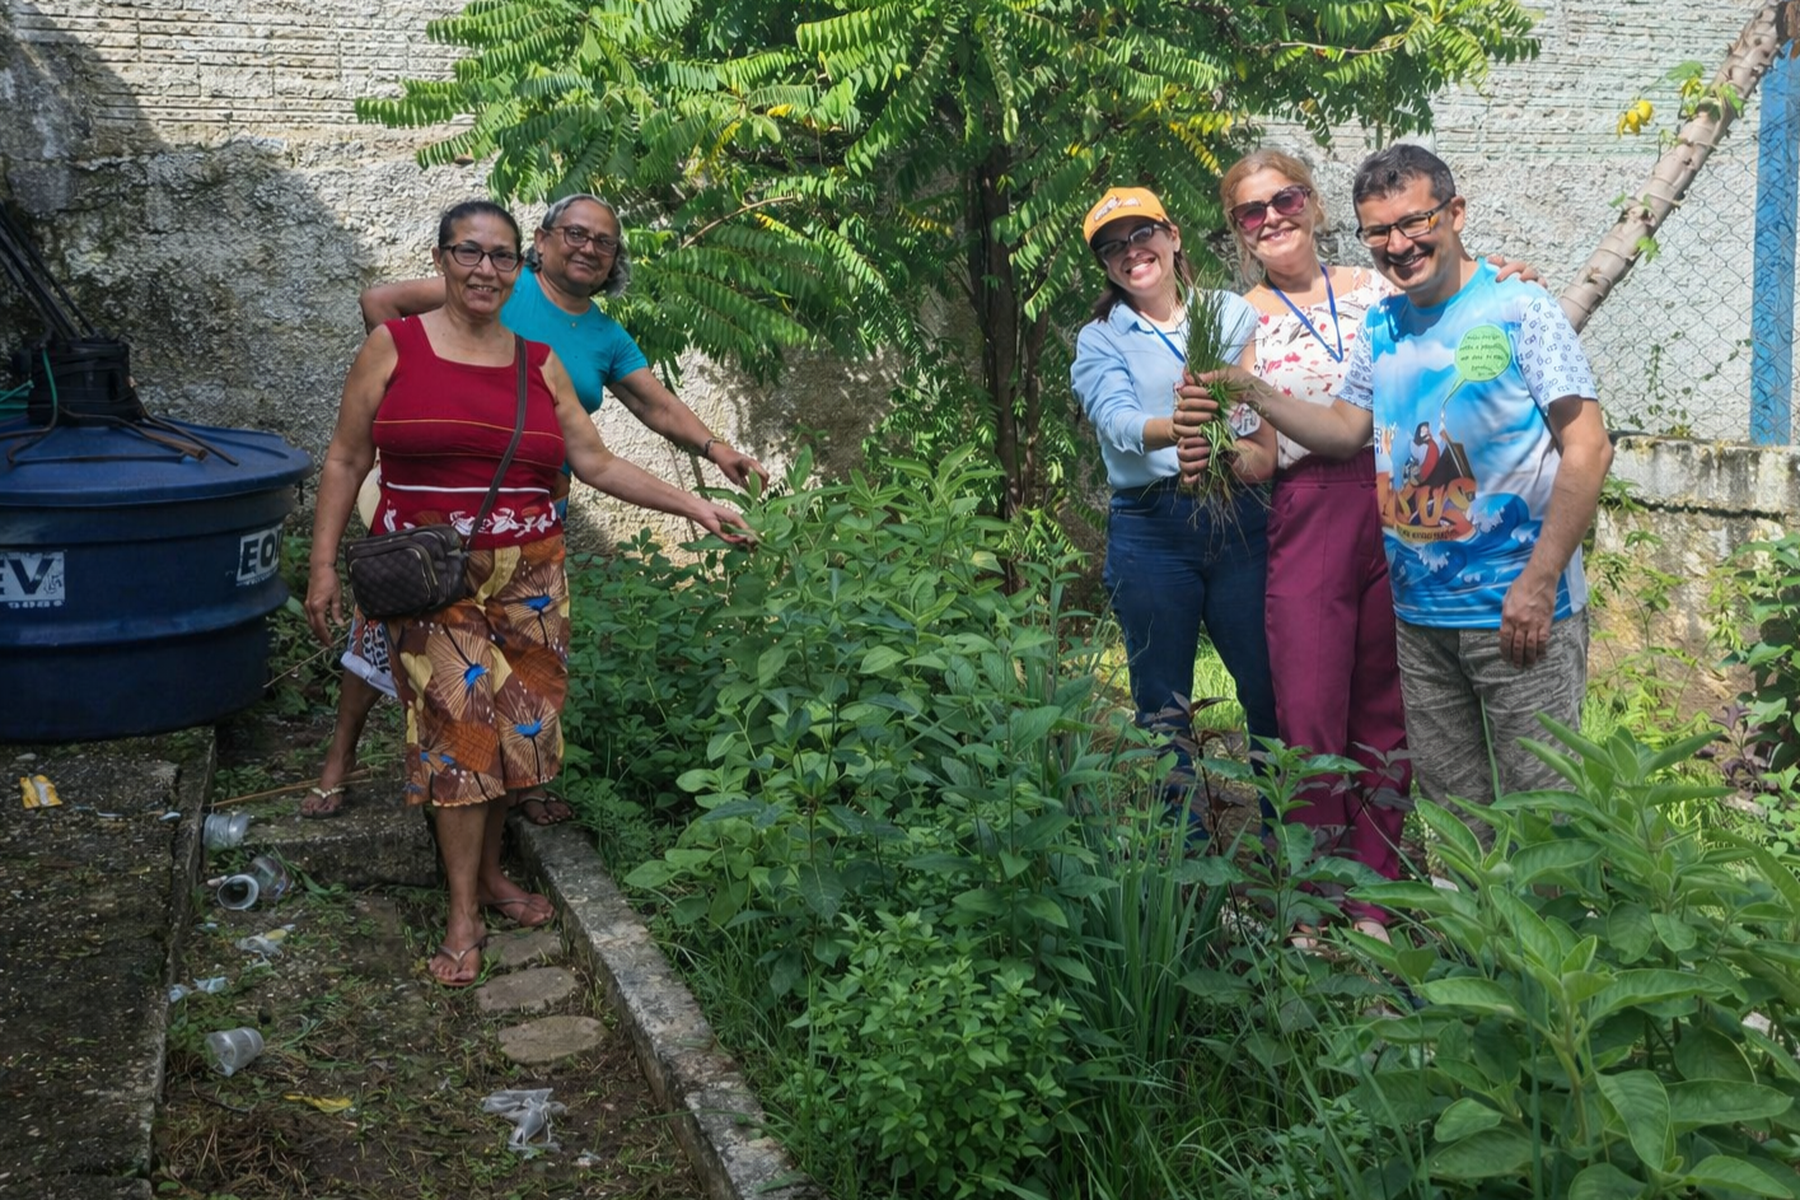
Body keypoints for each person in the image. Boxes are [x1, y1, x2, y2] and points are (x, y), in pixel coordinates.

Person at [305, 199, 748, 985]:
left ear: (520, 267)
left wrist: (696, 503)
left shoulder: (538, 362)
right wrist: (325, 564)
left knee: (517, 737)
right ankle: (464, 913)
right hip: (434, 577)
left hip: (533, 578)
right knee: (461, 736)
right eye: (469, 253)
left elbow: (599, 462)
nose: (485, 269)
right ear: (441, 259)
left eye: (499, 257)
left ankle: (490, 877)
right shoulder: (393, 346)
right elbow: (344, 460)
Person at [1178, 144, 1612, 848]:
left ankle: (1541, 950)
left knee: (1545, 803)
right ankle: (1445, 938)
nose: (1400, 244)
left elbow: (1587, 446)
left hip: (1518, 602)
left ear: (1455, 213)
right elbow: (1344, 431)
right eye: (1380, 231)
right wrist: (1241, 398)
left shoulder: (1510, 304)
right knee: (1450, 803)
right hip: (1415, 602)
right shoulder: (1377, 325)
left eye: (1416, 222)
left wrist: (1538, 581)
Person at [1068, 186, 1279, 831]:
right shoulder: (1100, 337)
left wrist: (1222, 444)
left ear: (1173, 235)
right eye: (1113, 248)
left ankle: (1284, 837)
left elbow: (1254, 406)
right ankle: (1185, 859)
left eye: (1141, 236)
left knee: (1269, 684)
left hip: (1239, 513)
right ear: (1104, 266)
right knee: (1163, 702)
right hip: (1152, 527)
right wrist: (1181, 429)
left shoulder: (1231, 313)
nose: (1132, 253)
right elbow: (1117, 421)